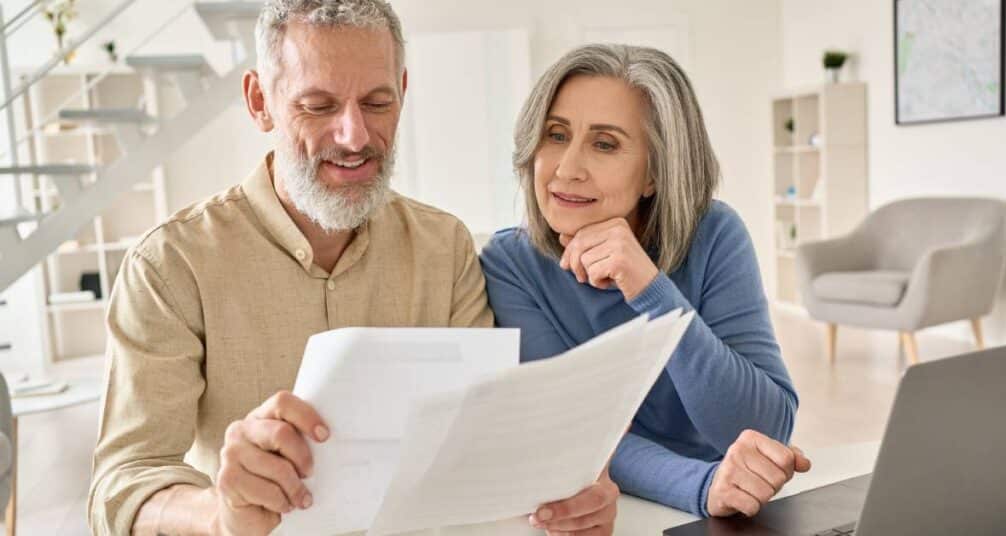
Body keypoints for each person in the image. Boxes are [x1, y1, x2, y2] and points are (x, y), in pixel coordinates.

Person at [88, 2, 617, 535]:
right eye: (318, 106)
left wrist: (565, 484)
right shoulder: (172, 264)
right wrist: (220, 514)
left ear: (403, 92)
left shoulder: (444, 246)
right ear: (259, 101)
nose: (355, 136)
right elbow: (125, 483)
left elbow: (483, 436)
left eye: (377, 102)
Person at [480, 44, 811, 522]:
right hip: (608, 509)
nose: (567, 168)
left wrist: (652, 291)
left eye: (605, 143)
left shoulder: (715, 234)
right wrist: (701, 486)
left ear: (655, 171)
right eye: (555, 135)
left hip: (720, 509)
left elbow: (765, 427)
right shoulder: (511, 263)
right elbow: (572, 431)